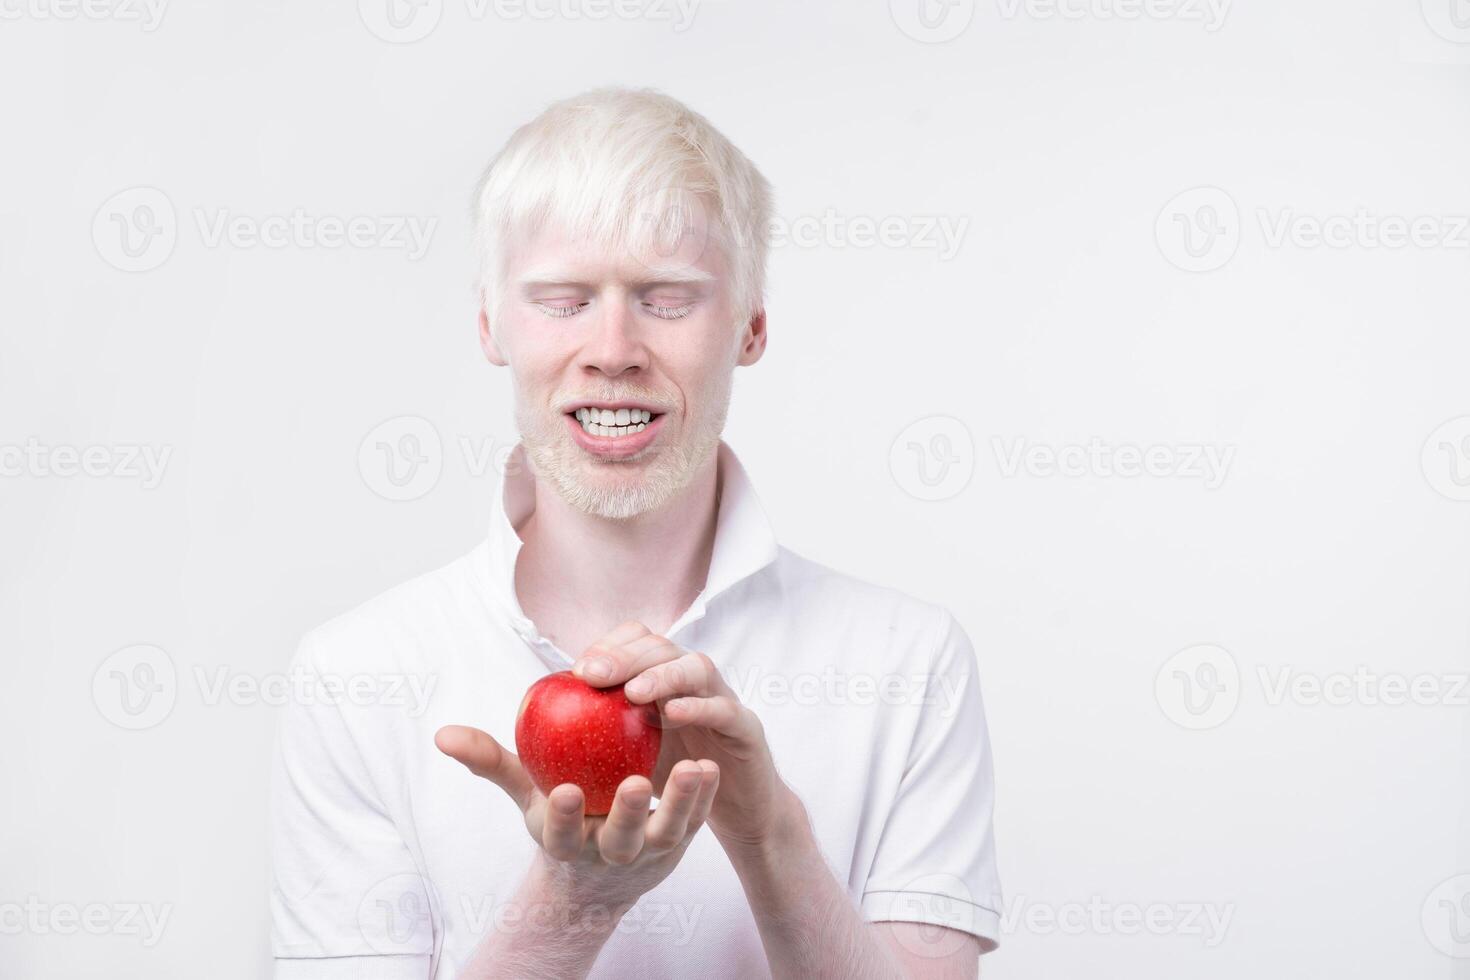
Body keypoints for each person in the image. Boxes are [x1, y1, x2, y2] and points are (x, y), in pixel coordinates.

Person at [270, 87, 1002, 979]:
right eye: (564, 299)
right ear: (490, 325)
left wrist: (771, 838)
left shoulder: (910, 663)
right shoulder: (355, 679)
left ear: (752, 325)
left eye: (665, 299)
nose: (613, 349)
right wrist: (571, 906)